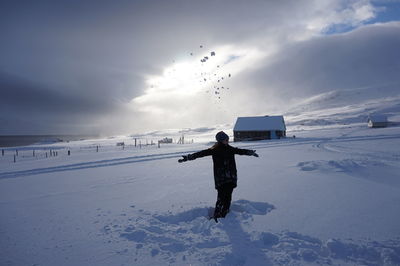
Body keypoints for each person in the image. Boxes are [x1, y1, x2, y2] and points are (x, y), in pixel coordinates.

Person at [178, 131, 259, 222]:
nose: (227, 141)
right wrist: (188, 157)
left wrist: (250, 152)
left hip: (230, 177)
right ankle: (217, 216)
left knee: (228, 196)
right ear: (221, 140)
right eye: (226, 139)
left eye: (228, 139)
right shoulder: (214, 149)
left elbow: (240, 151)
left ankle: (225, 213)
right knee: (221, 197)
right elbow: (200, 154)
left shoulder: (230, 149)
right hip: (221, 178)